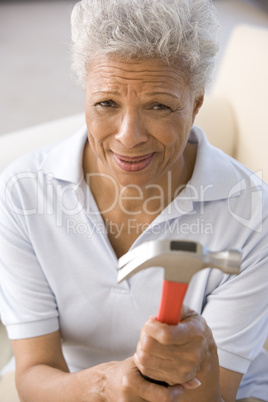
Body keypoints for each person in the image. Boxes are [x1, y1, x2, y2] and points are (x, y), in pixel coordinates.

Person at [0, 0, 267, 400]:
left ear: (195, 104)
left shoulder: (253, 212)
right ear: (86, 95)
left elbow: (220, 394)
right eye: (107, 103)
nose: (129, 136)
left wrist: (200, 361)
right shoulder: (23, 192)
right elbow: (35, 375)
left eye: (159, 106)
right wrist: (107, 385)